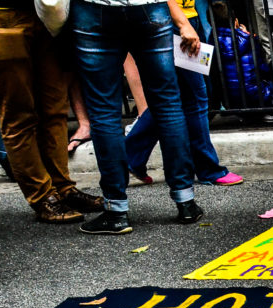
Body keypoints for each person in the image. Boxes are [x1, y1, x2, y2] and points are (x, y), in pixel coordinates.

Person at [71, 0, 205, 235]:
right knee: (168, 104)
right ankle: (186, 202)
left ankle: (116, 210)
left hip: (94, 8)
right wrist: (182, 22)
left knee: (104, 111)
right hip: (149, 6)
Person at [0, 1, 104, 223]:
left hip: (47, 14)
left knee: (55, 108)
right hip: (4, 16)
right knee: (18, 114)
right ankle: (42, 196)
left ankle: (62, 187)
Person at [126, 0, 244, 187]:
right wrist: (184, 24)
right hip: (174, 23)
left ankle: (129, 158)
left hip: (183, 20)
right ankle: (208, 169)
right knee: (195, 98)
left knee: (173, 99)